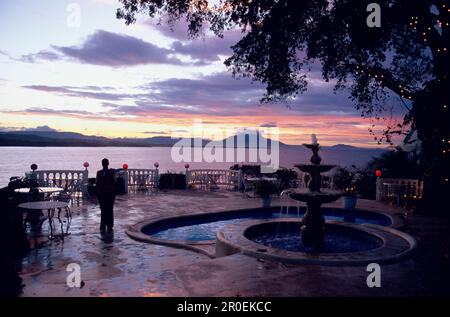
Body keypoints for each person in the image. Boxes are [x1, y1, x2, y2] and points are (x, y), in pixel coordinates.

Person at [96, 158, 116, 232]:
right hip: (109, 194)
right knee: (109, 210)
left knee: (103, 210)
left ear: (102, 164)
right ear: (108, 164)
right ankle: (109, 225)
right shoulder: (111, 172)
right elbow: (114, 182)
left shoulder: (99, 172)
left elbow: (97, 184)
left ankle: (103, 225)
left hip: (102, 194)